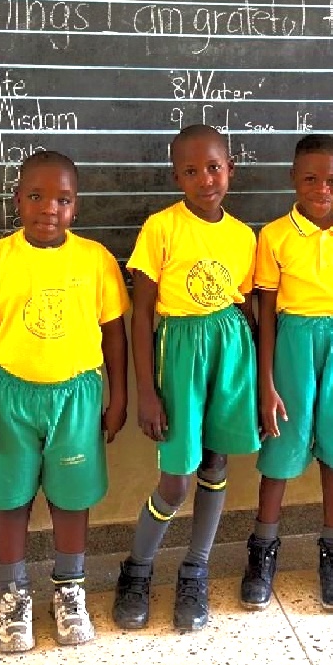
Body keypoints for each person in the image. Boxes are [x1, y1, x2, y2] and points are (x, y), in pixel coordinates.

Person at [0, 151, 128, 653]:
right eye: (36, 196)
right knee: (10, 498)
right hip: (8, 397)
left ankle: (70, 589)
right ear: (17, 201)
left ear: (76, 206)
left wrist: (119, 395)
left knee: (72, 497)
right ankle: (13, 594)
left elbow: (114, 334)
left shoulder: (95, 260)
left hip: (76, 397)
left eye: (62, 199)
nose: (49, 208)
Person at [114, 124, 259, 632]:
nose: (205, 179)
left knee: (216, 465)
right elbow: (141, 314)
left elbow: (247, 308)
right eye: (191, 171)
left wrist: (257, 384)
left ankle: (195, 571)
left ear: (230, 169)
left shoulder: (243, 236)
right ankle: (137, 569)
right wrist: (146, 392)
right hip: (178, 354)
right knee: (176, 481)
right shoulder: (161, 228)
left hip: (229, 353)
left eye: (214, 167)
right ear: (176, 177)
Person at [240, 134, 333, 612]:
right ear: (293, 179)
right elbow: (265, 316)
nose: (322, 189)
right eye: (311, 179)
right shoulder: (274, 236)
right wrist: (266, 383)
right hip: (293, 346)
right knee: (281, 446)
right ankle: (262, 552)